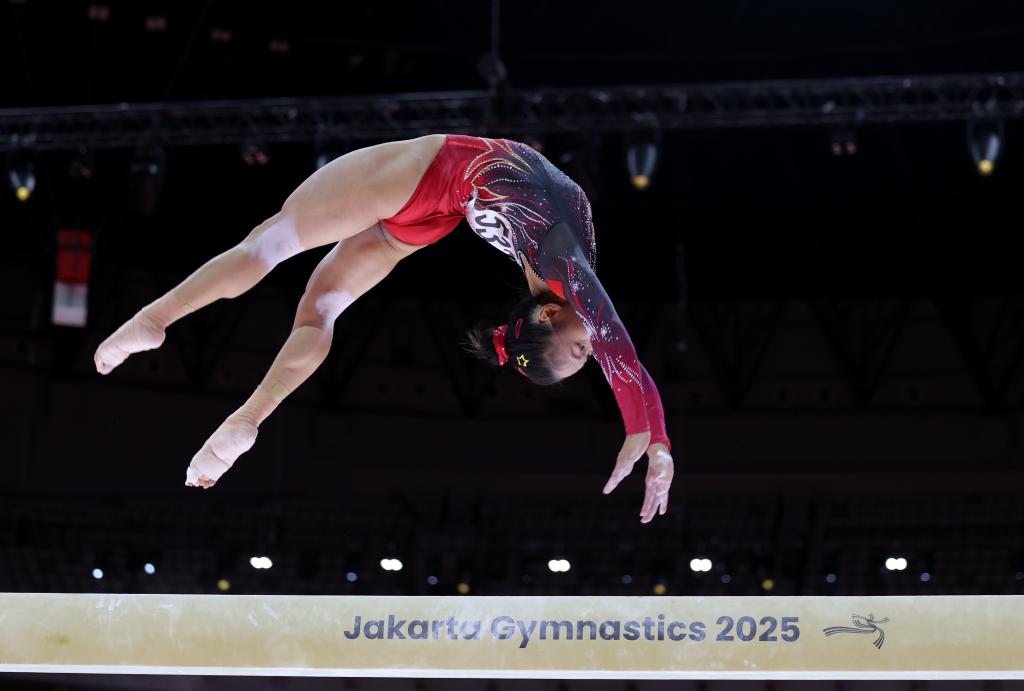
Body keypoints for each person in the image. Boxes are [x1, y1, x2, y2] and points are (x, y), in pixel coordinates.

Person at [94, 134, 674, 523]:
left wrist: (650, 434)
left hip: (428, 180)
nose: (594, 347)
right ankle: (245, 414)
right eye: (583, 352)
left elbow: (620, 354)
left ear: (545, 316)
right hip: (438, 202)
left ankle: (157, 324)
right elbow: (622, 351)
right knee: (319, 309)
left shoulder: (566, 272)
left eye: (580, 351)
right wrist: (651, 437)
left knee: (270, 245)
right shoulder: (568, 271)